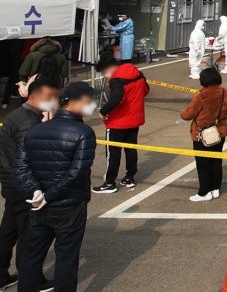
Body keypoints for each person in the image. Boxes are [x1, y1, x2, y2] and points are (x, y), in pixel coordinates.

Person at [13, 82, 97, 292]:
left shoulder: (34, 131)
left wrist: (35, 193)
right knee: (66, 258)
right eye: (88, 102)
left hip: (38, 206)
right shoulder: (84, 132)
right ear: (71, 102)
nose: (91, 107)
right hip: (69, 206)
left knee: (32, 255)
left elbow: (20, 168)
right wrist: (48, 196)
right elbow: (77, 172)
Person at [0, 80, 58, 290]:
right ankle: (31, 279)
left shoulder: (17, 115)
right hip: (23, 187)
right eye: (51, 97)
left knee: (8, 230)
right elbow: (28, 159)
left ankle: (3, 275)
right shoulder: (29, 123)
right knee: (30, 235)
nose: (54, 102)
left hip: (10, 183)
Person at [93, 56, 150, 194]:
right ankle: (130, 177)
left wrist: (104, 111)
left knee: (113, 153)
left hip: (117, 122)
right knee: (130, 149)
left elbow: (116, 98)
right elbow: (146, 90)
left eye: (104, 72)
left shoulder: (117, 79)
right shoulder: (137, 73)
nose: (105, 76)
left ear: (109, 67)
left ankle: (110, 182)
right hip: (135, 119)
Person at [179, 68, 227, 202]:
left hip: (202, 134)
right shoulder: (225, 92)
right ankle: (215, 188)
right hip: (219, 131)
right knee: (216, 161)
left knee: (203, 164)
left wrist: (182, 112)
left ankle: (204, 192)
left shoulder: (201, 96)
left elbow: (188, 114)